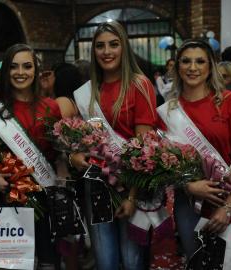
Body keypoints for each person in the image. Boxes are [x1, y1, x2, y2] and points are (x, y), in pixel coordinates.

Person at [158, 39, 231, 269]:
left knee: (229, 261)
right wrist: (189, 186)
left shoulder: (229, 101)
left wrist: (228, 205)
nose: (193, 67)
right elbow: (163, 161)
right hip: (188, 201)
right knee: (198, 261)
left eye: (200, 61)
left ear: (210, 66)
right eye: (186, 61)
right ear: (177, 67)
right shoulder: (167, 111)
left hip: (227, 196)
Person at [71, 21, 158, 270]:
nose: (106, 51)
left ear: (124, 48)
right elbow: (81, 138)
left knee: (132, 262)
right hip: (96, 185)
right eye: (100, 46)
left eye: (113, 44)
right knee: (105, 261)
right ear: (93, 51)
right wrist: (73, 156)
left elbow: (144, 147)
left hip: (129, 185)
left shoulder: (140, 85)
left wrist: (132, 196)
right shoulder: (88, 91)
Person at [0, 43, 62, 269]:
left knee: (47, 261)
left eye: (27, 66)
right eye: (14, 67)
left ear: (36, 70)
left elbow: (59, 154)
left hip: (46, 195)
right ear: (5, 72)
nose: (20, 72)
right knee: (12, 263)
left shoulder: (51, 107)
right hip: (8, 196)